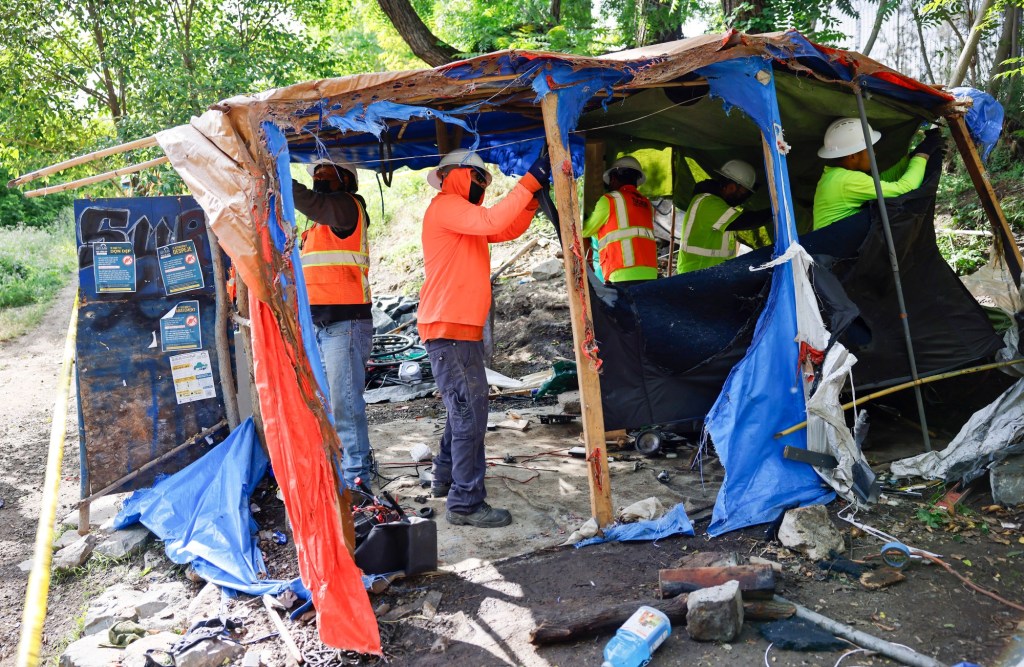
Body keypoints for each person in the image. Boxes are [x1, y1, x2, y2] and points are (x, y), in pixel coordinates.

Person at [420, 148, 550, 528]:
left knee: (462, 412)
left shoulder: (463, 217)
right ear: (455, 175)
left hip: (457, 330)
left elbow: (503, 227)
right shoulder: (446, 206)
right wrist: (530, 180)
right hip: (449, 329)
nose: (481, 186)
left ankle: (446, 479)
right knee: (469, 417)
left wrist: (530, 201)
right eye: (476, 179)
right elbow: (495, 217)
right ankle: (465, 503)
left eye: (484, 181)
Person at [292, 160, 375, 491]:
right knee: (329, 402)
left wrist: (279, 174)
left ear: (346, 180)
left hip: (346, 322)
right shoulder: (317, 224)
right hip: (322, 324)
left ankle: (359, 479)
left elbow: (310, 201)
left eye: (325, 175)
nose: (318, 180)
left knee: (345, 402)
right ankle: (344, 469)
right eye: (315, 175)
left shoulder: (346, 208)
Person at [813, 117, 943, 230]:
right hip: (836, 252)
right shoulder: (846, 181)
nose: (874, 153)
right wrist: (922, 155)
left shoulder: (835, 177)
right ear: (852, 156)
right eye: (869, 149)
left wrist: (910, 158)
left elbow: (880, 181)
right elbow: (905, 189)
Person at [675, 159, 768, 274]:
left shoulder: (721, 207)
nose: (743, 198)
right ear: (732, 187)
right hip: (696, 273)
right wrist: (775, 213)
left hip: (708, 275)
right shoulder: (708, 203)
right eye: (743, 193)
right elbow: (744, 221)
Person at [582, 156, 657, 286]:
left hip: (622, 272)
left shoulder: (610, 200)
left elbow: (585, 231)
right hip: (650, 272)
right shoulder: (647, 204)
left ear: (614, 178)